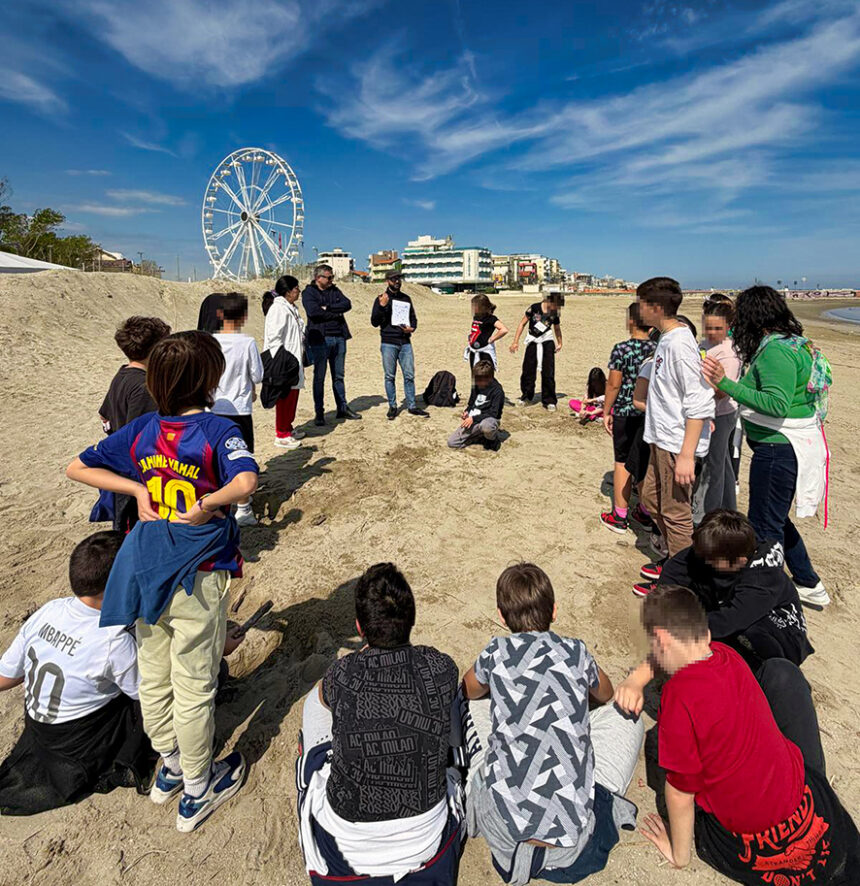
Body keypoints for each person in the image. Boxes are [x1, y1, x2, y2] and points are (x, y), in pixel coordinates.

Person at [65, 331, 259, 833]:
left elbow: (77, 466)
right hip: (199, 566)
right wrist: (207, 504)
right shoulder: (217, 430)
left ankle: (169, 764)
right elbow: (245, 482)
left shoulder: (145, 428)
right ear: (210, 378)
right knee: (194, 680)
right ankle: (199, 785)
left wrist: (134, 487)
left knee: (154, 669)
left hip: (147, 562)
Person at [636, 586, 859, 884]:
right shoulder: (729, 657)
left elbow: (679, 792)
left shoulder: (678, 697)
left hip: (752, 836)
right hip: (799, 800)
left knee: (701, 816)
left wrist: (680, 855)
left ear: (661, 641)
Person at [463, 563, 642, 884]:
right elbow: (606, 693)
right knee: (627, 713)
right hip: (574, 838)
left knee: (475, 706)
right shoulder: (576, 652)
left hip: (504, 831)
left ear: (502, 617)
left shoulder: (495, 651)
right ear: (555, 611)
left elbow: (468, 689)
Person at [298, 563, 459, 880]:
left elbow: (325, 698)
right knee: (452, 703)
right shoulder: (440, 666)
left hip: (347, 843)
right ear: (411, 619)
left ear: (359, 627)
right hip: (425, 837)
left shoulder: (343, 672)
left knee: (313, 705)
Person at [0, 531, 155, 815]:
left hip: (39, 730)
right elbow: (148, 694)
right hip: (79, 743)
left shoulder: (49, 610)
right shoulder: (112, 638)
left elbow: (7, 677)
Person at [703, 286, 831, 608]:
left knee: (763, 528)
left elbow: (776, 403)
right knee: (776, 518)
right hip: (784, 448)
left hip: (778, 450)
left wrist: (725, 382)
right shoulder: (791, 343)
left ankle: (763, 595)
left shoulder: (776, 351)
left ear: (754, 317)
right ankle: (808, 581)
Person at [632, 510, 813, 668]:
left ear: (740, 561)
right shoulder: (713, 549)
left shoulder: (761, 578)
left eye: (711, 560)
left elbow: (732, 619)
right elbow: (673, 575)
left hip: (780, 636)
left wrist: (683, 629)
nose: (704, 560)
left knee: (747, 633)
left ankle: (753, 674)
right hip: (731, 613)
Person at [637, 278, 714, 565]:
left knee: (676, 513)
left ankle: (682, 578)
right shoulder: (667, 339)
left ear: (656, 308)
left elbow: (699, 400)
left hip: (675, 444)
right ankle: (676, 559)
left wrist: (686, 454)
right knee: (649, 499)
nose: (638, 310)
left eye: (641, 304)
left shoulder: (680, 344)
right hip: (661, 439)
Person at [99, 315, 171, 531]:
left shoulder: (122, 375)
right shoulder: (144, 387)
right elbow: (141, 436)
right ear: (156, 349)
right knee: (135, 532)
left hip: (121, 471)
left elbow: (104, 415)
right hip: (137, 477)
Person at [600, 303, 657, 534]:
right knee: (644, 463)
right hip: (649, 414)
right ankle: (644, 511)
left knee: (623, 461)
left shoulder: (621, 349)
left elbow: (613, 383)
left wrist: (606, 410)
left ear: (632, 321)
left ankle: (619, 515)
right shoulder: (657, 348)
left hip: (625, 411)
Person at [212, 293, 263, 527]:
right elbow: (258, 375)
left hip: (213, 408)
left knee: (216, 458)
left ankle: (220, 501)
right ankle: (243, 507)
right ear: (244, 316)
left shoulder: (210, 342)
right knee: (241, 457)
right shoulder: (248, 343)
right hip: (240, 409)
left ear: (220, 315)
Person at [693, 299, 741, 523]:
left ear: (728, 327)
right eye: (708, 327)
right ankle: (729, 509)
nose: (711, 332)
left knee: (712, 468)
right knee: (722, 464)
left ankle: (706, 517)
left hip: (721, 415)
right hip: (707, 411)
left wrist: (693, 387)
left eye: (717, 329)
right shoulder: (705, 344)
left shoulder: (729, 354)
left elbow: (723, 391)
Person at [302, 264, 360, 425]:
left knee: (339, 376)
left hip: (339, 337)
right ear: (318, 278)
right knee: (319, 377)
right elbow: (313, 312)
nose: (331, 280)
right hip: (320, 339)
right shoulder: (309, 293)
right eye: (328, 277)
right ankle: (319, 413)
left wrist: (328, 308)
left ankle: (342, 408)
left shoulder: (335, 290)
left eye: (332, 277)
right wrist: (335, 313)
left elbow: (347, 304)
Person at [371, 269, 429, 420]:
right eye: (394, 279)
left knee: (409, 375)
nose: (397, 281)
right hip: (388, 342)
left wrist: (412, 328)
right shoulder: (381, 298)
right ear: (387, 281)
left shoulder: (406, 298)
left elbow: (413, 318)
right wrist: (382, 306)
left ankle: (412, 405)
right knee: (390, 376)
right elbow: (374, 322)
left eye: (399, 279)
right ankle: (393, 406)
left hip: (405, 342)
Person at [263, 275, 307, 450]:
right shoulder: (278, 309)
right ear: (288, 291)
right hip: (284, 360)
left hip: (294, 358)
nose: (299, 292)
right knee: (284, 397)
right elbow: (274, 337)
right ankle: (281, 434)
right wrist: (283, 359)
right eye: (297, 289)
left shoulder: (291, 308)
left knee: (293, 394)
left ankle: (288, 428)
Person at [510, 293, 563, 410]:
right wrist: (515, 341)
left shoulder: (554, 313)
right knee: (528, 370)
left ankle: (549, 400)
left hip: (547, 342)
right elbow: (522, 323)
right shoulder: (534, 308)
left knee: (548, 371)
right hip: (533, 341)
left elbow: (557, 328)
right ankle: (526, 397)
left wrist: (560, 343)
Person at [448, 359, 504, 451]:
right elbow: (471, 403)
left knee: (487, 427)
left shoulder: (497, 391)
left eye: (480, 380)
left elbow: (494, 413)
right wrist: (467, 411)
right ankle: (479, 437)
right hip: (473, 420)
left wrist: (474, 418)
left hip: (488, 419)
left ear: (489, 378)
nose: (477, 382)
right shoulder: (476, 384)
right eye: (476, 379)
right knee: (452, 443)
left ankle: (492, 439)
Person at [464, 294, 508, 369]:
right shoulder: (476, 317)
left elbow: (504, 329)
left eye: (475, 306)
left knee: (485, 376)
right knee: (475, 376)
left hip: (485, 352)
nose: (473, 308)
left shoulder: (490, 318)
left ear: (482, 307)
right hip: (474, 351)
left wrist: (492, 339)